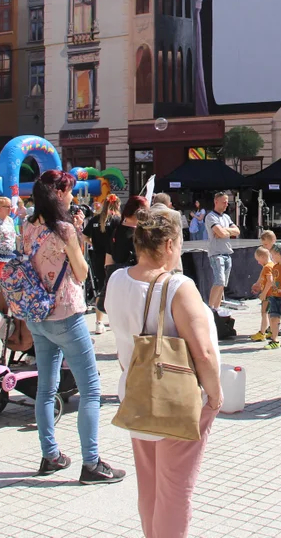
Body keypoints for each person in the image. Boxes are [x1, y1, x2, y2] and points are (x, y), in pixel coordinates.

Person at [104, 205, 221, 537]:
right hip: (175, 400)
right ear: (169, 244)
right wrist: (214, 397)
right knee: (174, 492)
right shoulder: (178, 287)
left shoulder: (116, 279)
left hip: (136, 393)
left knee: (150, 486)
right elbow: (204, 352)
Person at [24, 169, 124, 484]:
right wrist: (76, 238)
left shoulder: (26, 225)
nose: (72, 196)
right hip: (66, 313)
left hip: (37, 314)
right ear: (58, 194)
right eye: (68, 192)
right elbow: (80, 273)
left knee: (45, 388)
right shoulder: (64, 229)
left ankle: (50, 455)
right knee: (91, 389)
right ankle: (91, 463)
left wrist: (74, 233)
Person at [86, 194, 120, 334]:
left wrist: (93, 243)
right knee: (114, 288)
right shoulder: (117, 220)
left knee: (101, 287)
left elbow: (83, 236)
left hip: (97, 257)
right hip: (113, 257)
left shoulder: (95, 219)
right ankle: (114, 320)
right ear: (117, 205)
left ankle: (99, 322)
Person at [205, 192, 240, 309]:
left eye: (227, 202)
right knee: (219, 281)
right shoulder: (211, 217)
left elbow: (237, 231)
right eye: (224, 202)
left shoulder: (226, 217)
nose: (226, 204)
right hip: (216, 254)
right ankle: (210, 308)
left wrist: (225, 231)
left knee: (223, 284)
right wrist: (226, 231)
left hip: (227, 253)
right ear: (216, 202)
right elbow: (221, 233)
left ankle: (217, 307)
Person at [250, 246, 275, 342]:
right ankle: (272, 331)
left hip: (268, 294)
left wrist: (263, 293)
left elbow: (270, 281)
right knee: (270, 314)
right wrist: (259, 285)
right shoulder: (272, 264)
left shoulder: (267, 267)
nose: (258, 262)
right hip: (273, 294)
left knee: (264, 313)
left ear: (262, 257)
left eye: (258, 260)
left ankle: (262, 333)